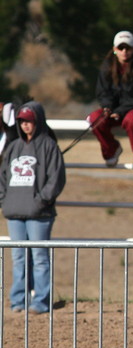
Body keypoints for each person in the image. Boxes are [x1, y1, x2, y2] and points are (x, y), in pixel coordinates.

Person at [0, 102, 67, 314]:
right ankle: (18, 300)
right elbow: (2, 177)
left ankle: (41, 302)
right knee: (18, 258)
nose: (26, 125)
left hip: (39, 214)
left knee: (40, 258)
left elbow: (56, 179)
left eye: (29, 121)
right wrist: (5, 200)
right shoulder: (13, 148)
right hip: (15, 212)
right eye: (22, 121)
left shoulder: (49, 146)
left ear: (38, 121)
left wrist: (40, 201)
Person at [86, 31, 133, 169]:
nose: (124, 51)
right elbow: (103, 93)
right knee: (94, 118)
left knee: (131, 120)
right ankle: (111, 149)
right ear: (114, 49)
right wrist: (107, 108)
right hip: (116, 112)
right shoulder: (106, 67)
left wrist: (120, 111)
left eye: (128, 48)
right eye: (121, 48)